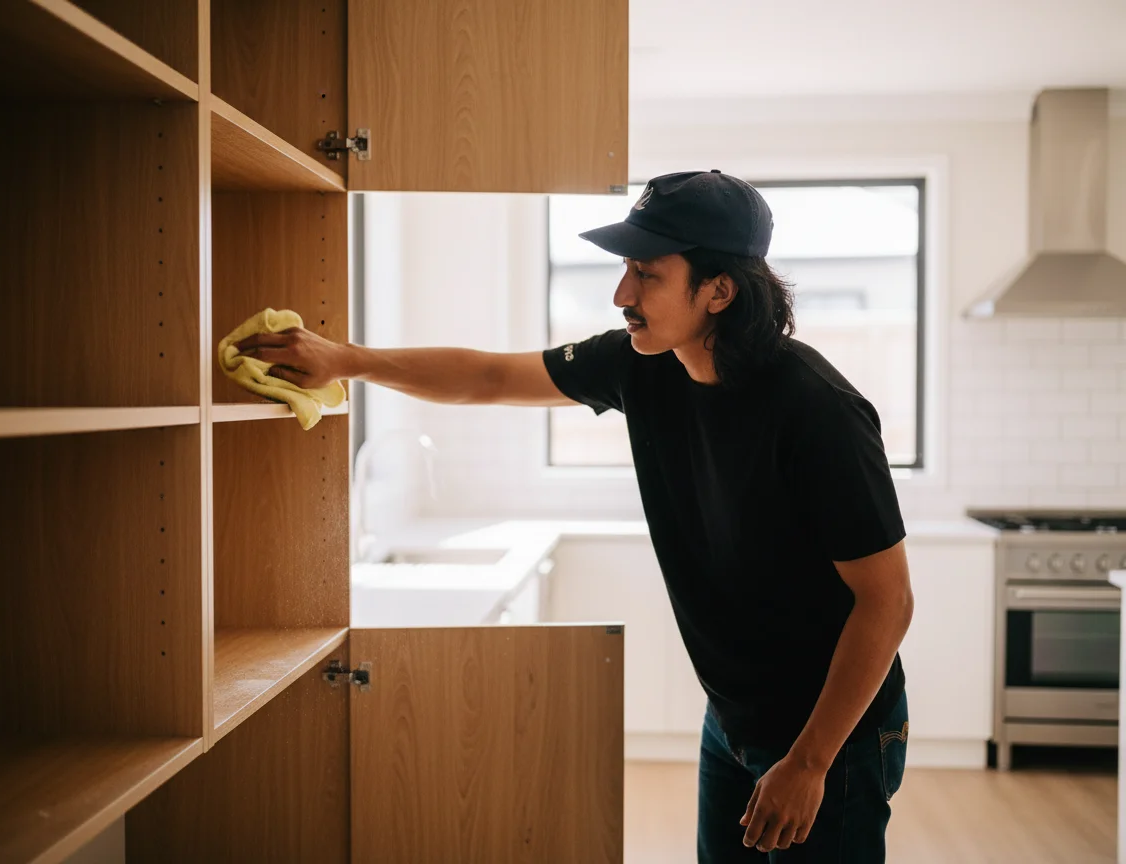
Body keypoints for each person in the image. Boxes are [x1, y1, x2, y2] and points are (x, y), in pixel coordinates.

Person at [237, 170, 914, 862]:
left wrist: (808, 763)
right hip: (734, 720)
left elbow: (886, 603)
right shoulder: (641, 364)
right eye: (626, 268)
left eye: (646, 274)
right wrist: (345, 361)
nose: (622, 294)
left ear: (719, 290)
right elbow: (489, 377)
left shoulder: (818, 411)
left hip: (835, 738)